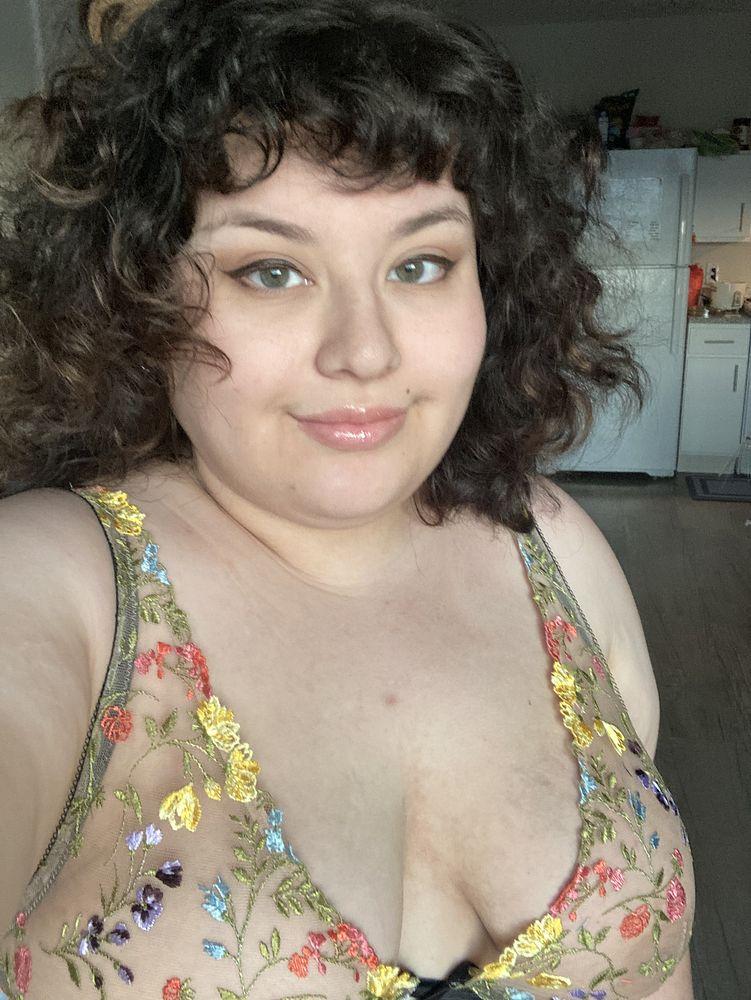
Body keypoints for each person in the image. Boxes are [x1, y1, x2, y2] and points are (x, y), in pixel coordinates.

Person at [0, 0, 695, 997]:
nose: (364, 351)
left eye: (420, 264)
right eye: (271, 271)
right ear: (137, 294)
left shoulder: (552, 543)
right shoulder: (53, 586)